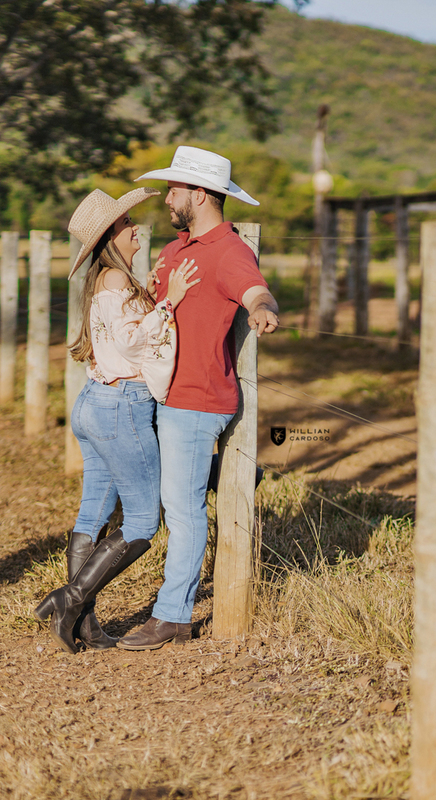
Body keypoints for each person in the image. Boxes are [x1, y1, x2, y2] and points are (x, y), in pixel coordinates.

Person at [117, 146, 280, 651]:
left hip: (198, 398)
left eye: (175, 189)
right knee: (171, 500)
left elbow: (255, 289)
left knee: (182, 509)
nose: (168, 198)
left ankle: (173, 615)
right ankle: (229, 477)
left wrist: (262, 310)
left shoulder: (230, 251)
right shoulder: (174, 250)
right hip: (165, 393)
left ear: (201, 195)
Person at [35, 188, 201, 654]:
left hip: (95, 402)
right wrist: (169, 303)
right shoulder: (116, 282)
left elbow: (117, 333)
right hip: (122, 406)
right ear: (111, 236)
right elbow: (130, 346)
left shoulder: (106, 280)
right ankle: (71, 599)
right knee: (145, 519)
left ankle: (82, 624)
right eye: (127, 223)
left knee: (95, 511)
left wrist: (147, 296)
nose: (135, 228)